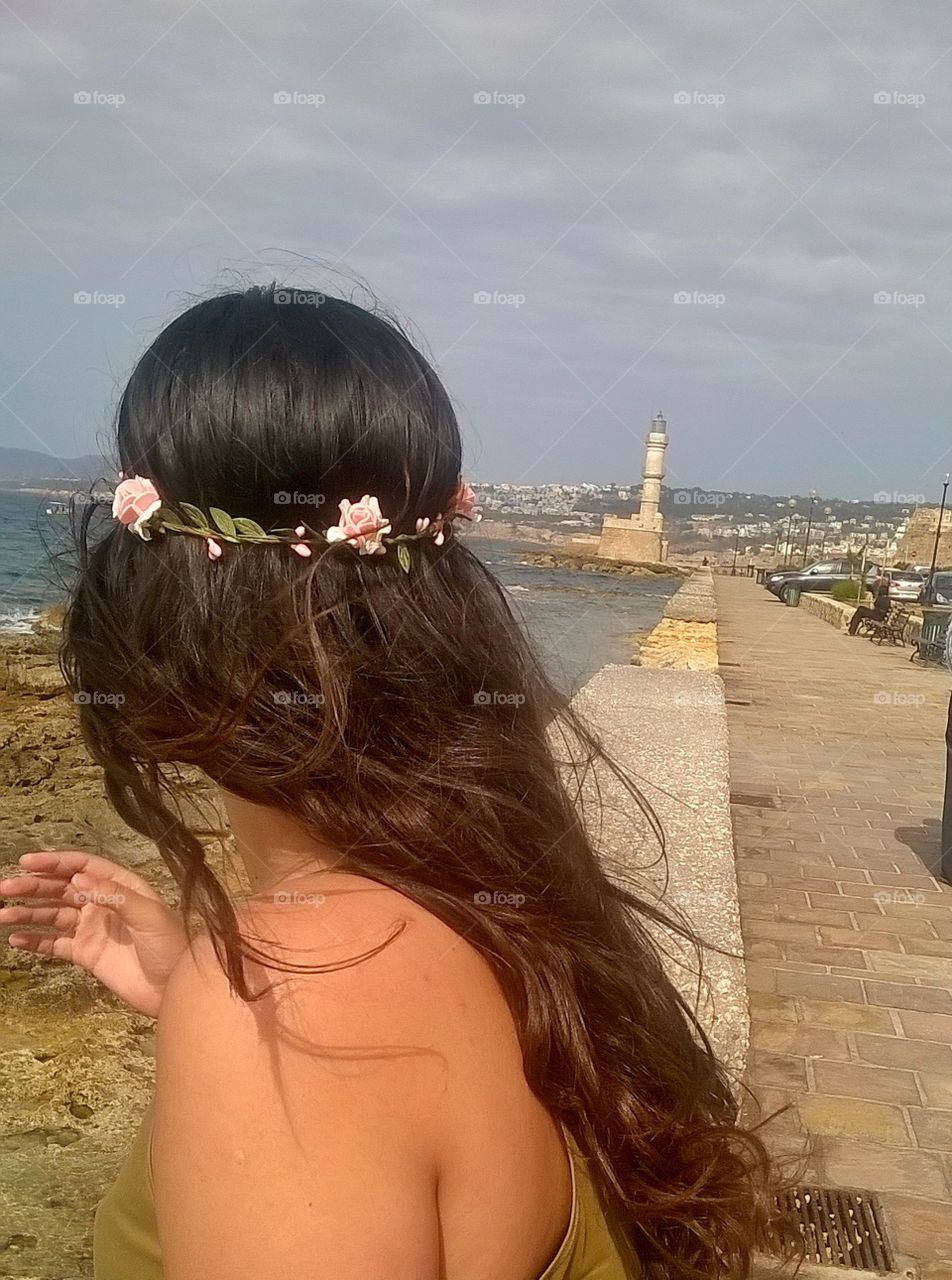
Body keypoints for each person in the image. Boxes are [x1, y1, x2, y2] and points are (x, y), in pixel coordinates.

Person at [0, 287, 778, 1280]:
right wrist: (200, 987)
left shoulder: (293, 1003)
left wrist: (248, 1013)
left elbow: (341, 1066)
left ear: (163, 613)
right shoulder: (493, 889)